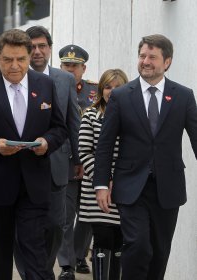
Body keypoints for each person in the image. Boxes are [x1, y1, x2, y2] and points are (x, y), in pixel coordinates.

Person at [0, 28, 67, 280]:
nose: (14, 65)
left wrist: (46, 142)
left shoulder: (46, 84)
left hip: (34, 182)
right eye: (8, 59)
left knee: (34, 250)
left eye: (20, 59)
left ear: (30, 57)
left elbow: (59, 128)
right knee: (0, 253)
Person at [93, 34, 197, 280]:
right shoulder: (121, 96)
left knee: (160, 252)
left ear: (167, 61)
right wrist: (100, 184)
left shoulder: (183, 96)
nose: (145, 61)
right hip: (131, 186)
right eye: (142, 56)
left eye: (152, 56)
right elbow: (105, 144)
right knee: (138, 246)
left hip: (168, 187)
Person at [13, 25, 81, 280]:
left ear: (50, 49)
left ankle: (43, 269)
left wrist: (78, 158)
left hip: (56, 166)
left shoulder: (64, 79)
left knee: (55, 224)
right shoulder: (13, 75)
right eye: (33, 47)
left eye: (43, 46)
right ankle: (30, 274)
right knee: (23, 229)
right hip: (21, 165)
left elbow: (73, 121)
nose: (38, 51)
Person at [79, 69, 128, 280]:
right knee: (102, 238)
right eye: (108, 86)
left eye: (117, 87)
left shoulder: (132, 116)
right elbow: (84, 151)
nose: (112, 91)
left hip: (125, 186)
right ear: (101, 89)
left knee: (120, 240)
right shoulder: (90, 115)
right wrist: (103, 179)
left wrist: (119, 179)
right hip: (95, 188)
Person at [57, 44, 96, 277]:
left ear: (83, 68)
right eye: (66, 65)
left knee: (88, 214)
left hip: (91, 163)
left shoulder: (95, 91)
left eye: (75, 66)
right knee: (65, 215)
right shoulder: (53, 87)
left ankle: (80, 255)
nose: (70, 70)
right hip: (68, 162)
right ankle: (66, 264)